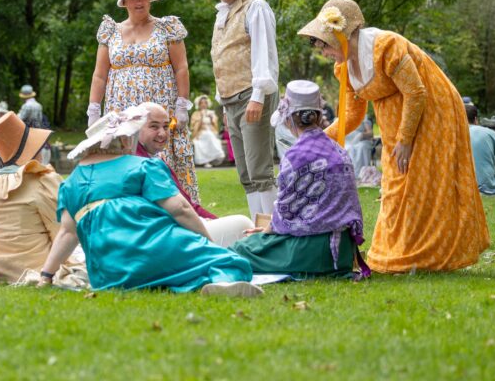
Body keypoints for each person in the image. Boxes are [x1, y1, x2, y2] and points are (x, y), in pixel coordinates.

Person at [298, 0, 489, 272]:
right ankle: (400, 252)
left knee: (422, 183)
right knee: (396, 185)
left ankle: (427, 254)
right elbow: (352, 115)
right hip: (395, 120)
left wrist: (406, 139)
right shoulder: (344, 68)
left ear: (343, 33)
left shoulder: (386, 46)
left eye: (325, 44)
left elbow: (416, 92)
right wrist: (316, 137)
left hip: (432, 109)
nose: (323, 51)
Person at [39, 107, 262, 297]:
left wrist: (46, 275)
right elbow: (181, 208)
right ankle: (220, 280)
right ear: (125, 139)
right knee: (231, 261)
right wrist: (208, 242)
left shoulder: (70, 183)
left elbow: (67, 233)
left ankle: (182, 279)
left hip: (108, 274)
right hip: (152, 249)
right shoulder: (141, 166)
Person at [229, 80, 368, 278]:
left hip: (313, 250)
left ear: (288, 119)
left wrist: (267, 232)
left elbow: (285, 210)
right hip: (343, 252)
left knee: (240, 250)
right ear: (319, 116)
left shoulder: (295, 156)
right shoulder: (339, 150)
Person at [87, 0, 199, 203]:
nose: (139, 1)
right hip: (122, 109)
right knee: (126, 165)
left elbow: (181, 68)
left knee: (161, 161)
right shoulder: (110, 32)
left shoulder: (167, 28)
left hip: (159, 107)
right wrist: (94, 110)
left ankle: (175, 212)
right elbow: (99, 75)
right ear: (124, 1)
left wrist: (181, 105)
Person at [203, 0, 279, 217]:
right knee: (245, 173)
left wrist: (258, 95)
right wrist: (223, 104)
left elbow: (264, 53)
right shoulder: (222, 13)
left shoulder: (255, 6)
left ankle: (272, 233)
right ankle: (258, 231)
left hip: (252, 95)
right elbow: (221, 58)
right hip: (231, 100)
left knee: (260, 170)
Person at [0, 112, 82, 283]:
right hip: (35, 267)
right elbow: (60, 232)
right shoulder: (42, 181)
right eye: (38, 148)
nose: (41, 153)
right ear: (31, 152)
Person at [137, 103, 254, 247]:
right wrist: (203, 227)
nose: (162, 133)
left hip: (178, 230)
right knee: (243, 226)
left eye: (166, 127)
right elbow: (179, 210)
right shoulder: (143, 163)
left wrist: (213, 220)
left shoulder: (153, 158)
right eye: (154, 126)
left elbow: (190, 205)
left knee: (245, 229)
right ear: (137, 127)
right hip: (169, 239)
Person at [465, 104, 495, 195]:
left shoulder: (450, 134)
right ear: (476, 119)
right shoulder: (489, 133)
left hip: (461, 185)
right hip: (487, 186)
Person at [190, 95, 226, 167]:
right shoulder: (195, 114)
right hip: (200, 134)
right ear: (199, 104)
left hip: (211, 132)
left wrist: (212, 119)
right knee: (207, 136)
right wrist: (201, 119)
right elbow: (193, 127)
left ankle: (213, 159)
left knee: (210, 136)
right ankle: (206, 161)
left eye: (205, 103)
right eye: (201, 103)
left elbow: (215, 126)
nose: (203, 105)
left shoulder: (211, 113)